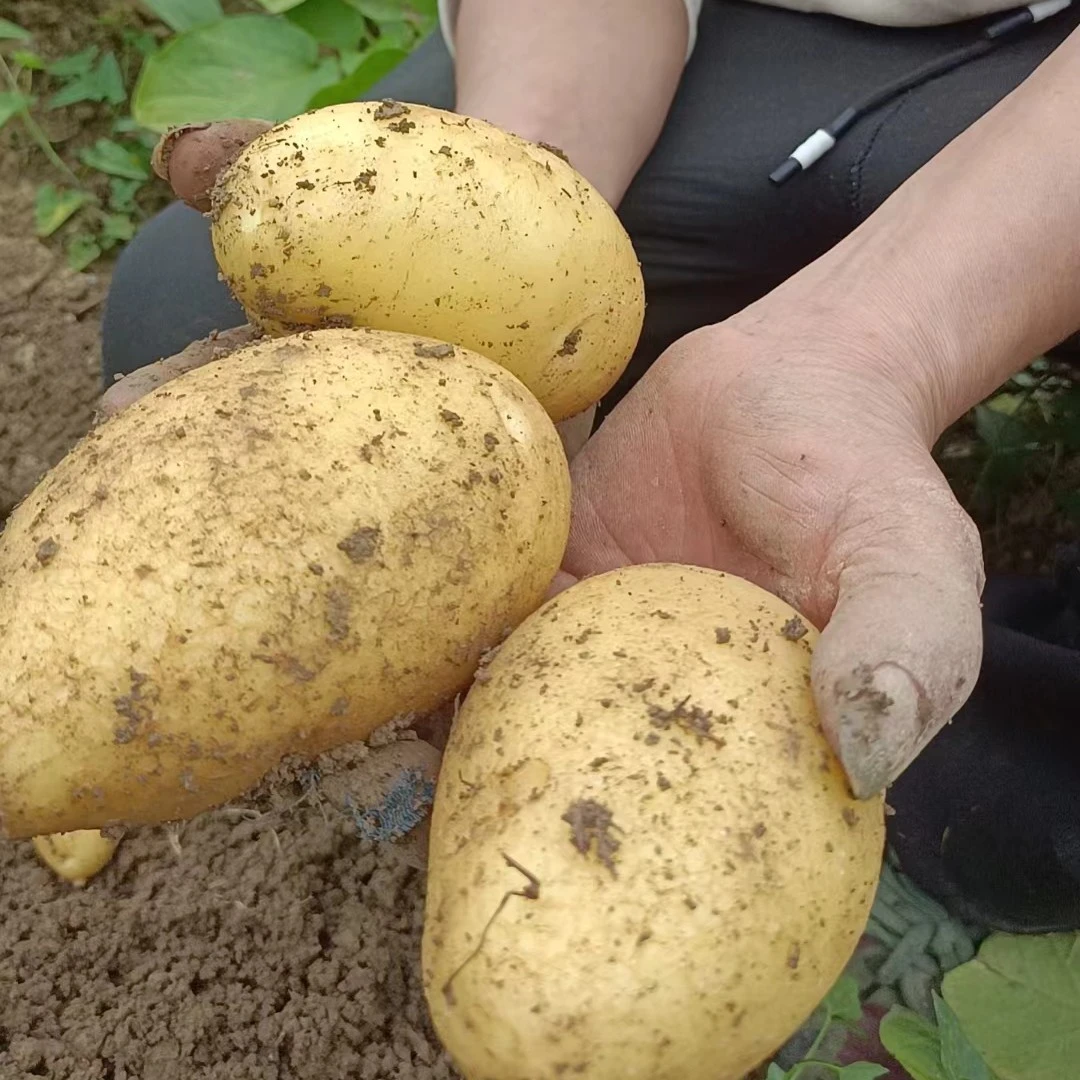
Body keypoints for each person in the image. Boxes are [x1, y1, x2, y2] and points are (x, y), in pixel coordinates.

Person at [101, 0, 1080, 930]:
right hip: (748, 48)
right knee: (187, 307)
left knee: (1024, 820)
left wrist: (867, 343)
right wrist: (495, 254)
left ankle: (984, 770)